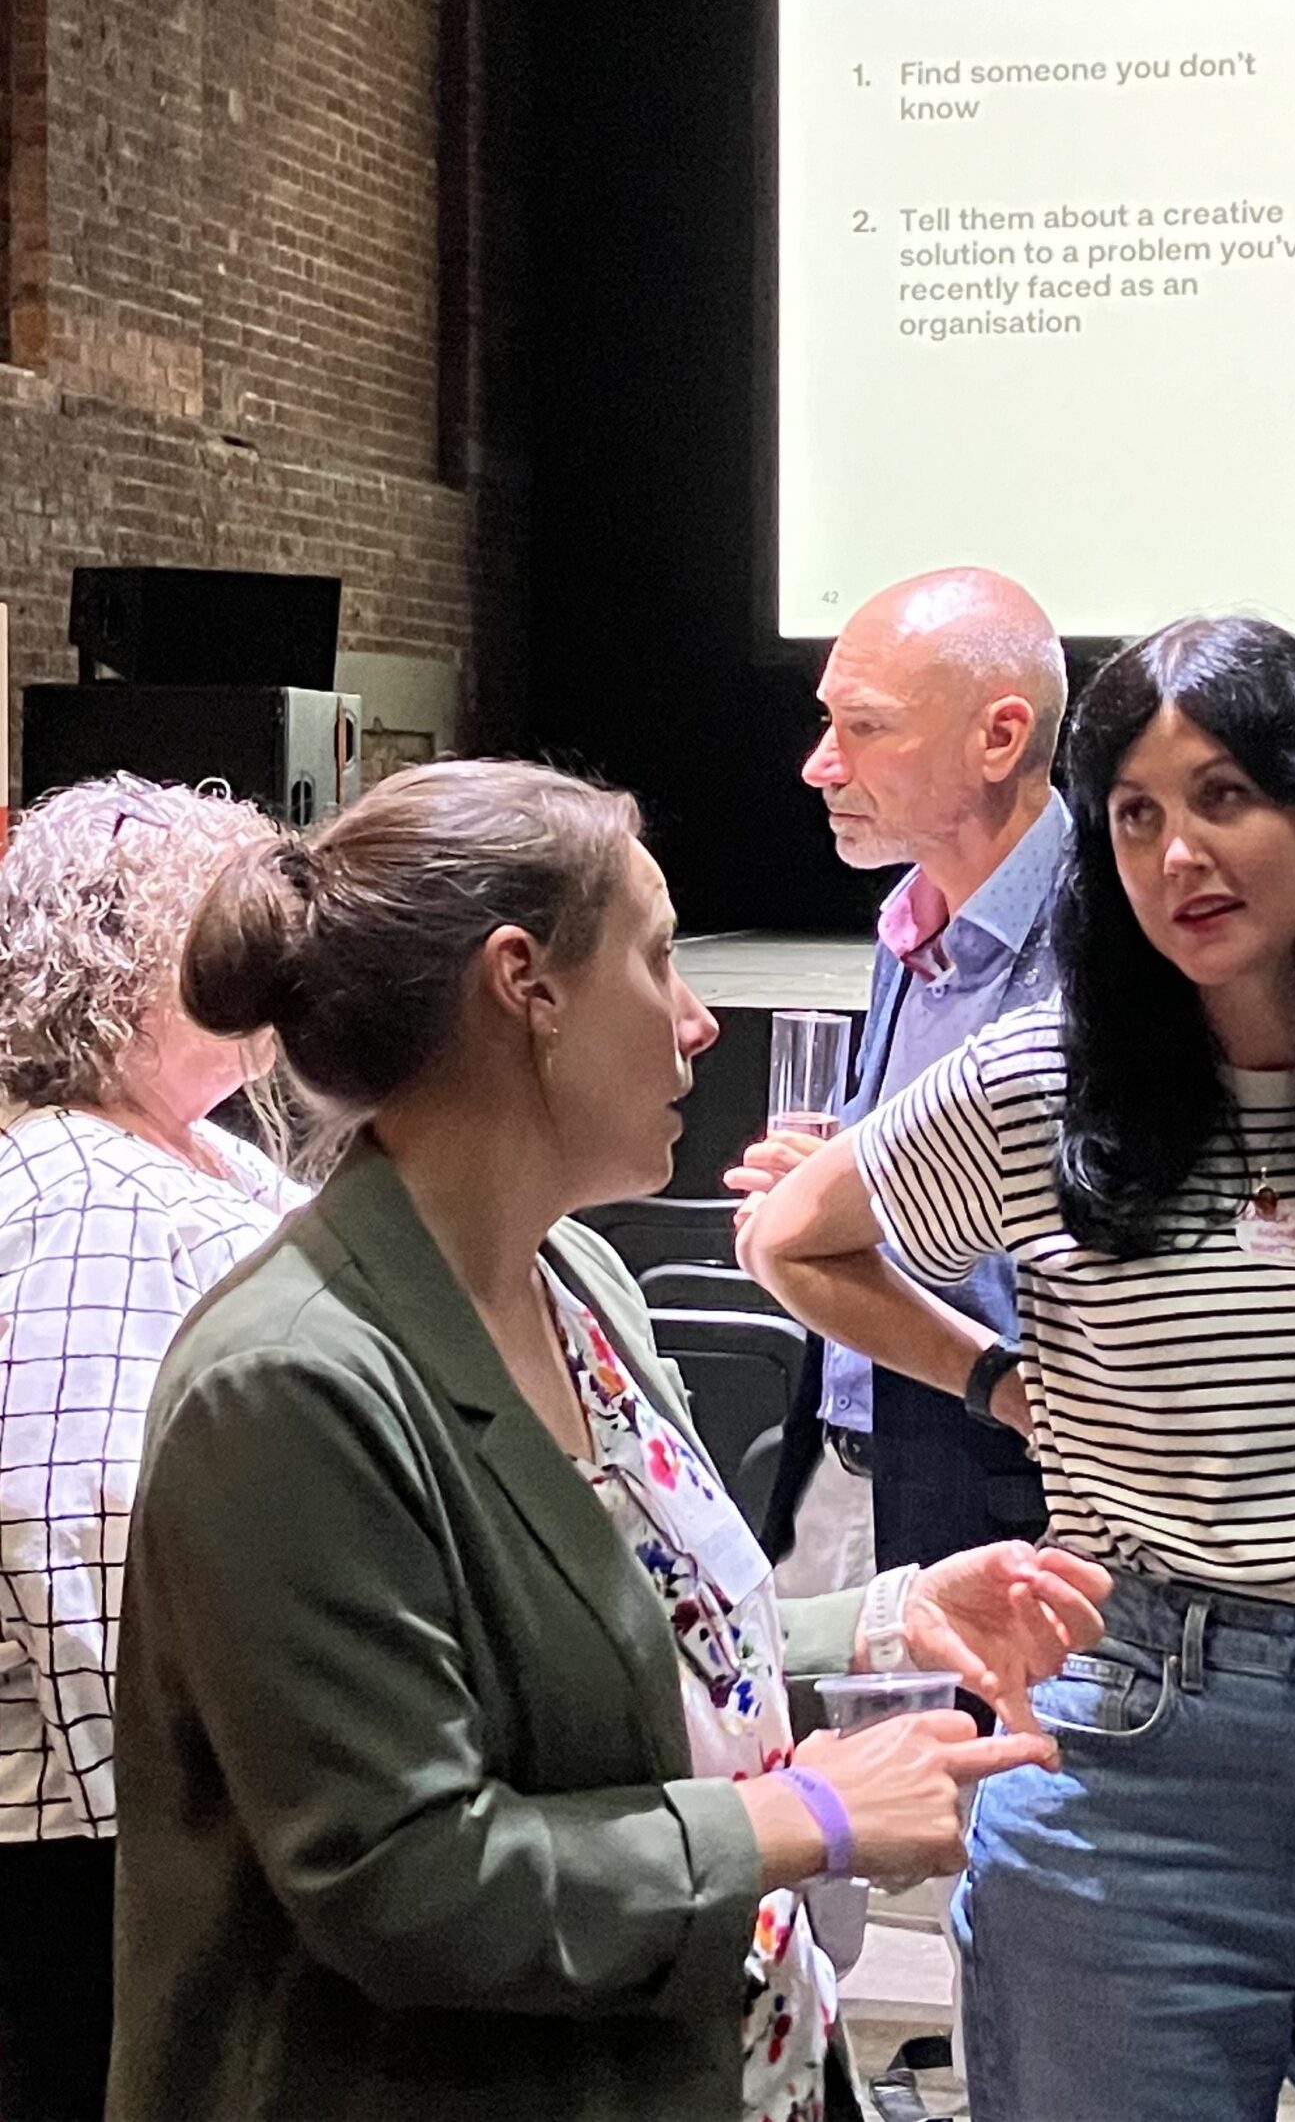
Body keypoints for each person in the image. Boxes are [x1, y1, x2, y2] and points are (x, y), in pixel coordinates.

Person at [108, 760, 1106, 2122]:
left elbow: (634, 1645)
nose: (699, 1020)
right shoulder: (289, 1381)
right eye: (657, 957)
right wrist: (805, 1816)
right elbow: (405, 1879)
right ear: (526, 985)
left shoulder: (576, 1278)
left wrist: (889, 1617)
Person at [739, 617, 1295, 2122]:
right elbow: (792, 1238)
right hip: (1137, 1754)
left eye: (1223, 796)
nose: (1177, 854)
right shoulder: (1045, 1074)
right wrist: (997, 1378)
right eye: (1134, 813)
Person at [0, 777, 306, 2122]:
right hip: (91, 1867)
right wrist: (184, 1851)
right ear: (120, 957)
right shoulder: (95, 1194)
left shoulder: (193, 1158)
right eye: (236, 922)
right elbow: (79, 1547)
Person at [756, 568, 1067, 1598]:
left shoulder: (1111, 951)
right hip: (856, 1454)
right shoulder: (909, 925)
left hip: (1019, 1488)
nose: (819, 764)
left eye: (866, 726)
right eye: (826, 722)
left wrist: (854, 1208)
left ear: (999, 737)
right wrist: (826, 1189)